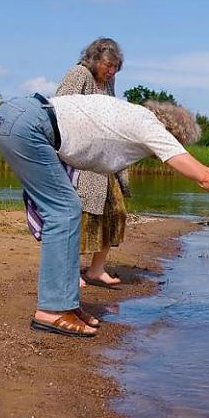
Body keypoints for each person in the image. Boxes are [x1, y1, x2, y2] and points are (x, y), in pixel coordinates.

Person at [0, 93, 209, 338]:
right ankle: (52, 310)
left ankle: (65, 304)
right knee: (64, 211)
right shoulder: (151, 129)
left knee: (65, 209)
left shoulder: (131, 114)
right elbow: (205, 178)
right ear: (173, 135)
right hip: (28, 125)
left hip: (17, 114)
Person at [56, 37, 127, 288]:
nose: (111, 71)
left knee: (116, 213)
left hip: (103, 160)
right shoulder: (79, 74)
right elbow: (59, 110)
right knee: (82, 216)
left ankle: (97, 270)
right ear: (95, 59)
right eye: (108, 66)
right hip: (80, 159)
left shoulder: (109, 82)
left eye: (116, 67)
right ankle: (69, 272)